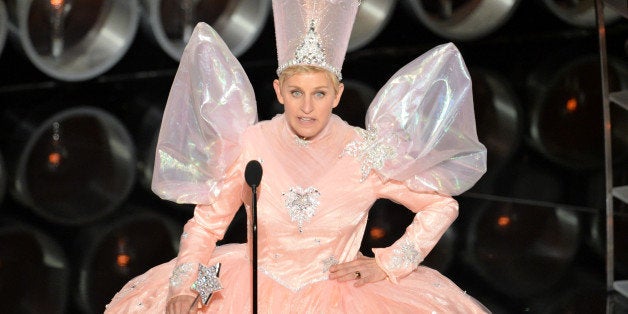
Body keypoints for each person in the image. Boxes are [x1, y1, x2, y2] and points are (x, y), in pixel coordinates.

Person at [105, 0, 489, 313]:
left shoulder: (365, 151)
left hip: (341, 297)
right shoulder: (252, 143)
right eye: (296, 92)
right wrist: (184, 285)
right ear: (278, 90)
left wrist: (388, 264)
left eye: (319, 93)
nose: (307, 107)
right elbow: (206, 225)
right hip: (249, 289)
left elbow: (441, 206)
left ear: (337, 95)